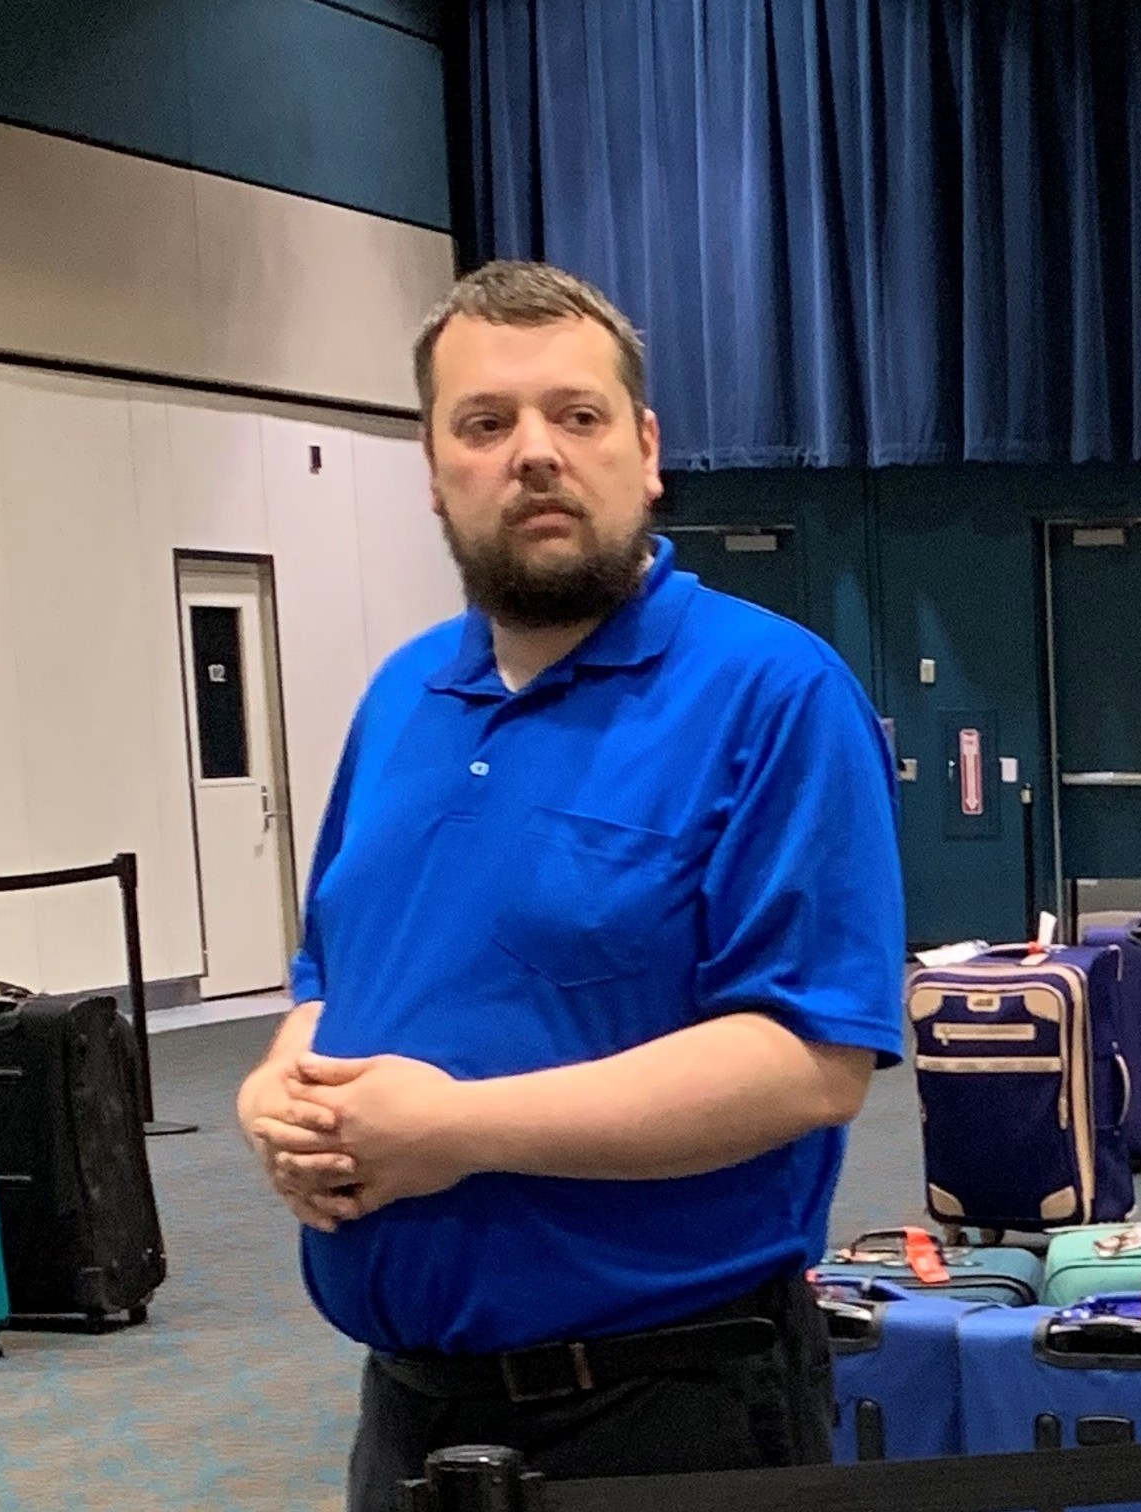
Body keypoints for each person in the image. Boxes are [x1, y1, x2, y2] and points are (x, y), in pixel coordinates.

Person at [235, 260, 904, 1511]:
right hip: (409, 1411)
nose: (533, 452)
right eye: (485, 424)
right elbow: (335, 972)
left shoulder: (771, 692)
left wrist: (451, 1134)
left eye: (577, 416)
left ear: (645, 451)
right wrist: (284, 1085)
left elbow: (810, 1061)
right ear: (435, 473)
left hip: (665, 1416)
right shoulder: (401, 698)